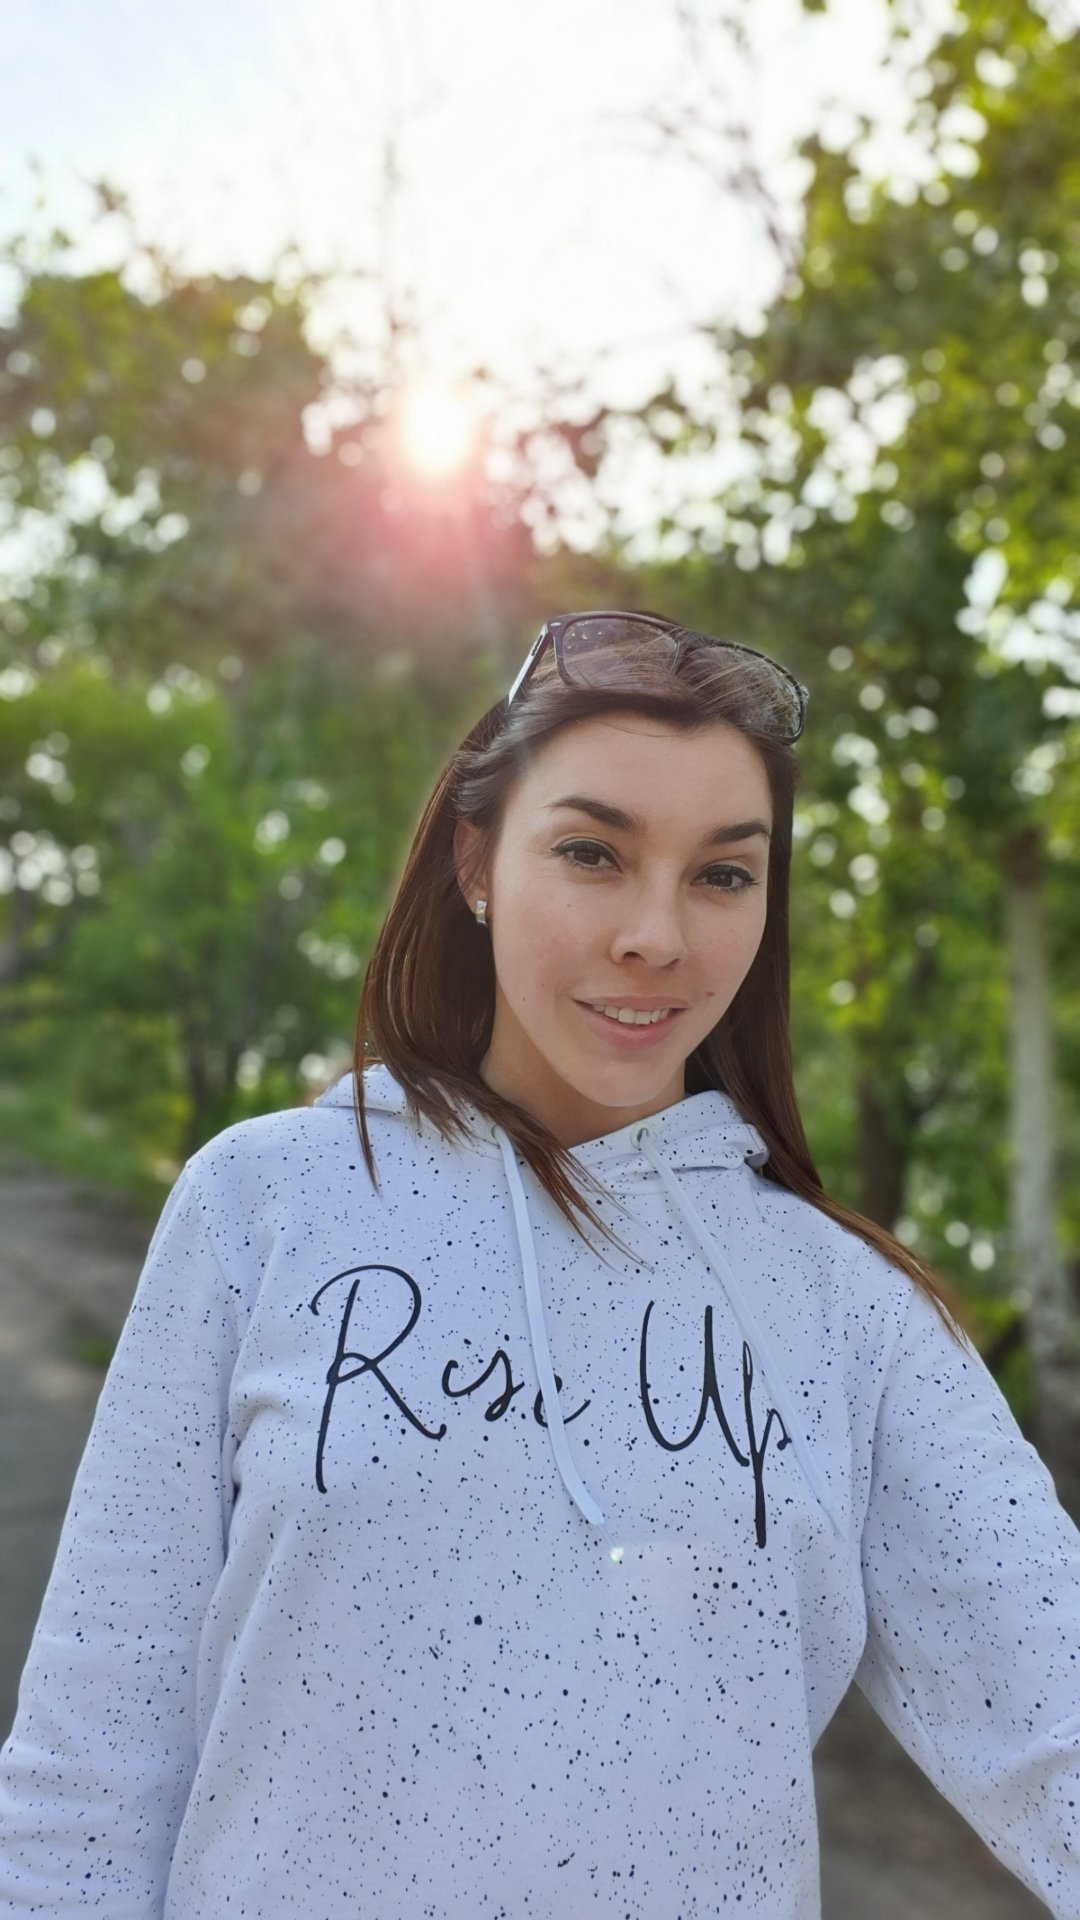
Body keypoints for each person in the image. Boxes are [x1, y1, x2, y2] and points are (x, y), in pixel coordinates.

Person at [0, 608, 1077, 1920]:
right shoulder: (267, 1204)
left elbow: (1056, 1717)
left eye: (723, 874)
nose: (657, 936)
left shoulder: (851, 1315)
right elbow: (92, 1762)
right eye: (592, 853)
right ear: (476, 863)